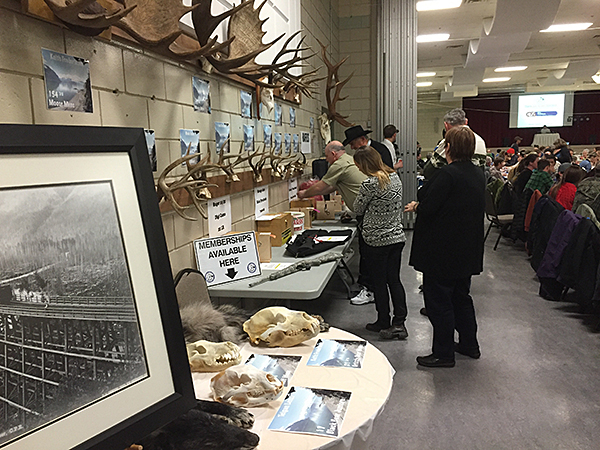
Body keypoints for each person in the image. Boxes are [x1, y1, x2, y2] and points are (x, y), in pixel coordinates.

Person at [405, 126, 485, 368]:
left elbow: (429, 205)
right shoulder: (477, 173)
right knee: (462, 298)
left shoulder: (446, 174)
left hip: (442, 250)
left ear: (447, 148)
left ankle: (443, 352)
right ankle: (470, 345)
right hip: (466, 248)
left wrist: (417, 206)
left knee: (439, 302)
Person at [297, 141, 373, 306]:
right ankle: (366, 286)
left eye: (326, 156)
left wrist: (304, 194)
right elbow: (329, 188)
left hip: (367, 213)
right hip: (366, 212)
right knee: (366, 251)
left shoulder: (339, 164)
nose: (326, 160)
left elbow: (321, 188)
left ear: (333, 154)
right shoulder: (348, 160)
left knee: (368, 253)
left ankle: (369, 289)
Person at [353, 146, 408, 340]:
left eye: (358, 166)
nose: (358, 169)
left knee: (379, 283)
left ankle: (383, 320)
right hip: (396, 238)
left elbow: (358, 208)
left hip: (376, 241)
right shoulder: (395, 178)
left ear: (364, 164)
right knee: (394, 280)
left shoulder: (370, 184)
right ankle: (399, 322)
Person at [422, 108, 487, 180]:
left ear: (446, 125)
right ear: (466, 121)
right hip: (476, 187)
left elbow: (429, 171)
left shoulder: (448, 141)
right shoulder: (481, 141)